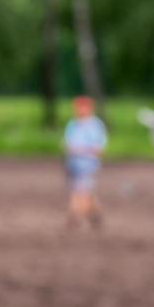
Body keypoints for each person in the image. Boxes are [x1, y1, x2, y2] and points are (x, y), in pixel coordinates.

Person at [63, 95, 108, 229]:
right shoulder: (73, 124)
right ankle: (96, 213)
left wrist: (81, 150)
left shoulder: (95, 125)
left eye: (82, 107)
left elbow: (98, 148)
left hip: (88, 164)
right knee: (83, 192)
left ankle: (74, 218)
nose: (79, 110)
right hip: (73, 164)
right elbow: (68, 144)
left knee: (80, 191)